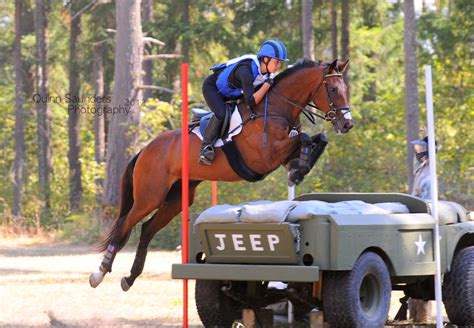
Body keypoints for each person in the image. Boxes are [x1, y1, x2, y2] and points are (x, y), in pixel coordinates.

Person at [199, 39, 289, 165]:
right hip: (213, 88)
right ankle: (205, 147)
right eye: (277, 62)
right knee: (221, 113)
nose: (278, 66)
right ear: (266, 59)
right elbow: (251, 102)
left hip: (231, 93)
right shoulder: (246, 70)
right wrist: (266, 86)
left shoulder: (266, 73)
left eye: (280, 63)